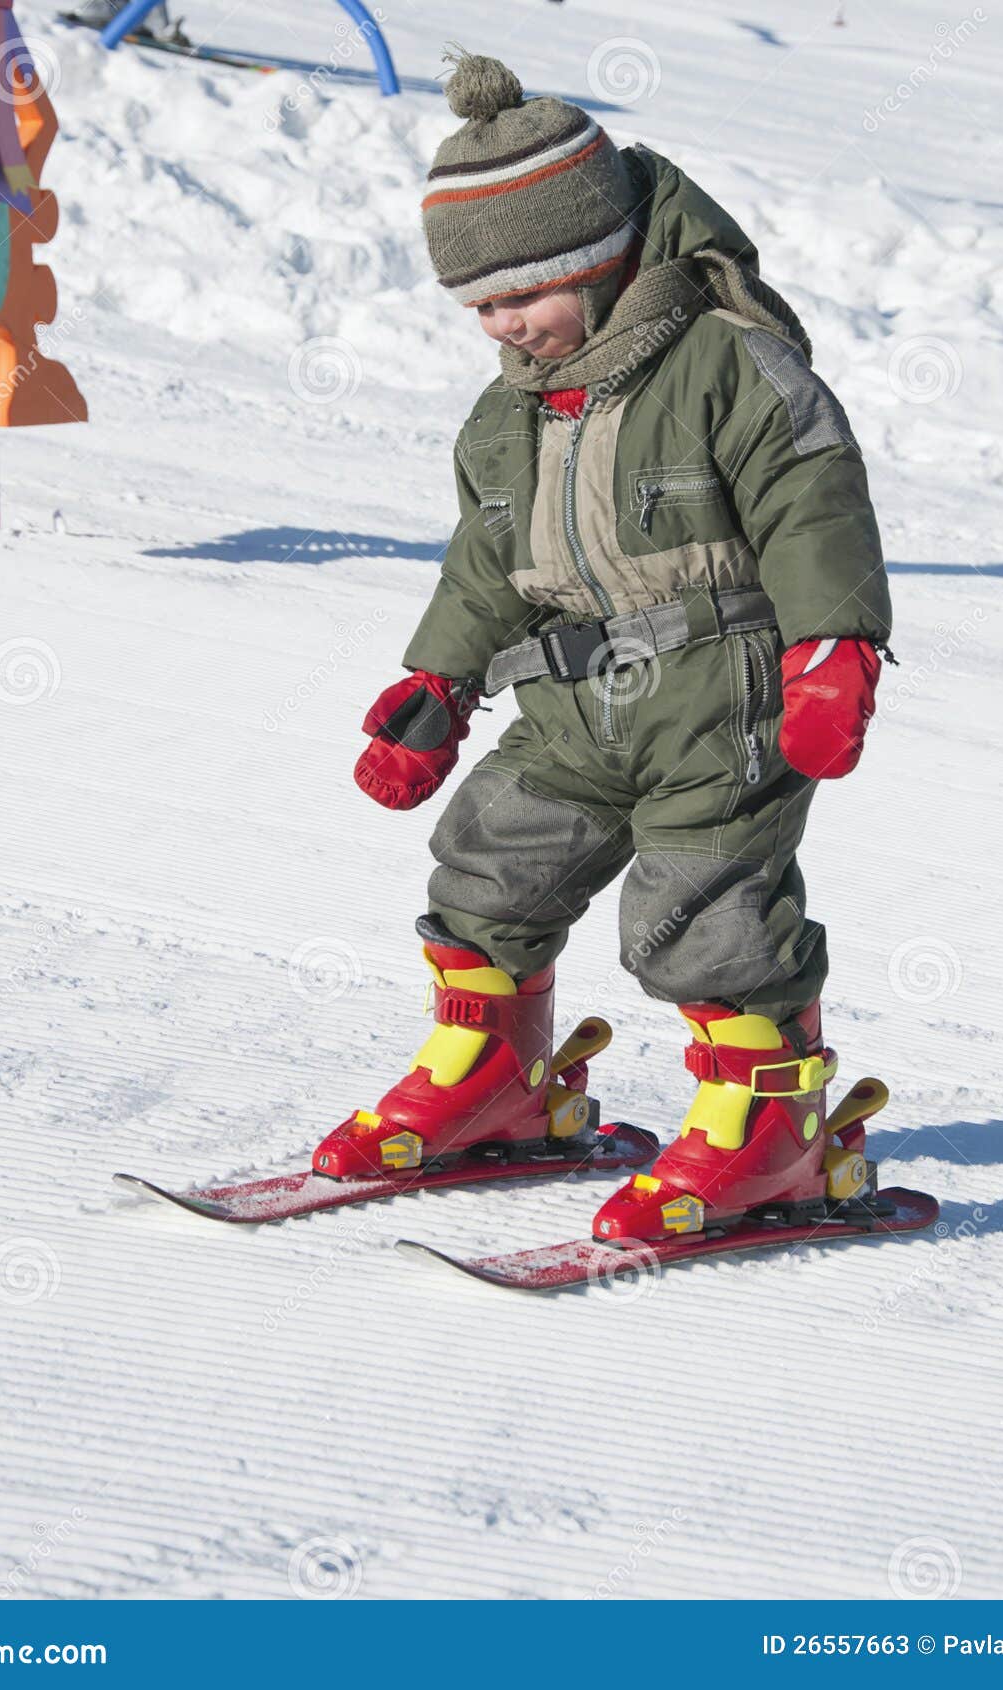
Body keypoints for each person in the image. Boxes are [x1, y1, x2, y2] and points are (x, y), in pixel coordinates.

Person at [316, 50, 891, 1246]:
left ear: (594, 257)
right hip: (575, 703)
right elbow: (488, 559)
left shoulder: (724, 363)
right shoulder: (506, 415)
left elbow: (812, 498)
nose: (504, 324)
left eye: (523, 293)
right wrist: (438, 679)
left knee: (701, 916)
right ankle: (492, 1077)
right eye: (480, 307)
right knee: (487, 859)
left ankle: (769, 1135)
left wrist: (835, 647)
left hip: (721, 701)